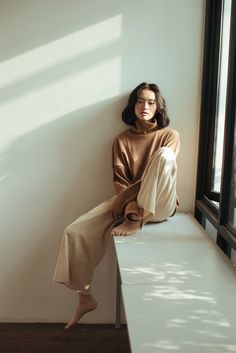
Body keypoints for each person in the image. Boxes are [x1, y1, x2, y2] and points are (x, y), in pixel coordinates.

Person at [52, 82, 180, 329]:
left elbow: (159, 175)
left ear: (158, 107)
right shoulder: (121, 140)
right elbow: (120, 181)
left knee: (164, 156)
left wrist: (132, 214)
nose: (145, 106)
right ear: (133, 105)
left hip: (161, 203)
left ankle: (138, 220)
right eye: (140, 101)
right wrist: (129, 206)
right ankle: (84, 298)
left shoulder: (169, 136)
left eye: (151, 102)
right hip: (132, 201)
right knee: (75, 231)